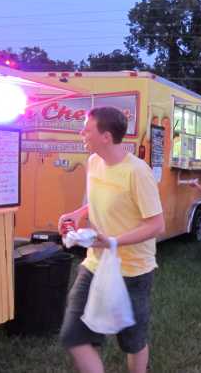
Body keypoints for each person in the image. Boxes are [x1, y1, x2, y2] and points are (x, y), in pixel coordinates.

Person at [58, 107, 165, 373]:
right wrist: (78, 213)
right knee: (74, 335)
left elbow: (156, 224)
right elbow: (100, 200)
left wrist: (113, 241)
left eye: (87, 128)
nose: (82, 132)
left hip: (133, 270)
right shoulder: (94, 161)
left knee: (132, 340)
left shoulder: (137, 172)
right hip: (95, 263)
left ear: (106, 137)